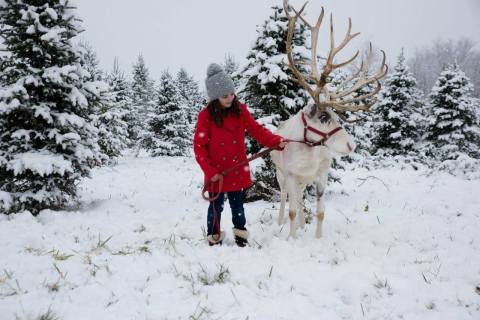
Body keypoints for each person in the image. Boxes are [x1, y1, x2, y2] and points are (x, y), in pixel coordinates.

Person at [193, 63, 287, 247]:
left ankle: (241, 236)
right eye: (224, 95)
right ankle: (214, 238)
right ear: (214, 97)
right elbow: (199, 147)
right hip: (216, 173)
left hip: (236, 168)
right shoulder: (205, 116)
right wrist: (211, 172)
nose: (229, 98)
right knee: (215, 208)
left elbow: (256, 130)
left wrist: (275, 141)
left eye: (231, 93)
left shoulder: (240, 110)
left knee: (238, 207)